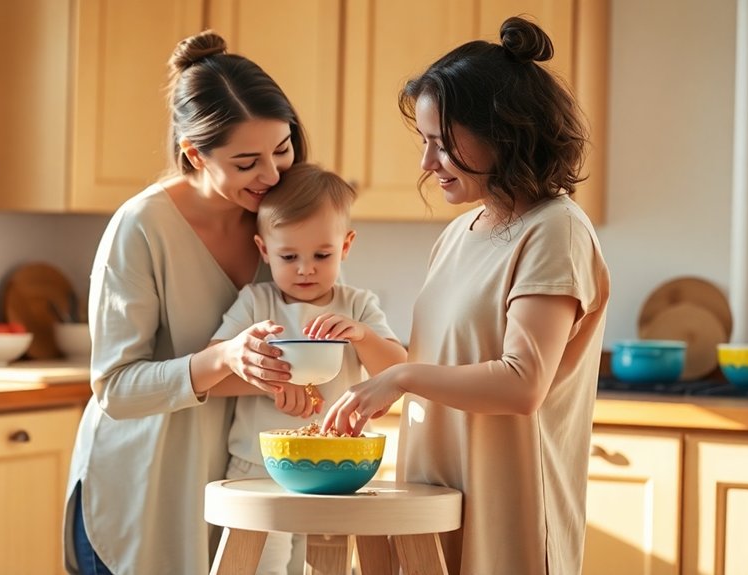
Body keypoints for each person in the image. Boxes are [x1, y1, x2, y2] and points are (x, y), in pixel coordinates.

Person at [322, 16, 611, 575]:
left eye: (444, 144)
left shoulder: (556, 229)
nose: (427, 165)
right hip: (432, 499)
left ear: (505, 133)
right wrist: (376, 357)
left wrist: (402, 378)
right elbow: (443, 370)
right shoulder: (459, 232)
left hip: (508, 512)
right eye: (425, 143)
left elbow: (521, 383)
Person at [65, 30, 311, 575]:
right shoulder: (142, 226)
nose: (271, 175)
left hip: (246, 498)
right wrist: (224, 358)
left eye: (282, 148)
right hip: (144, 497)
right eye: (246, 162)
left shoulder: (288, 217)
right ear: (194, 154)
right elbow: (116, 388)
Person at [207, 163, 408, 575]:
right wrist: (264, 379)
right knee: (264, 567)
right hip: (257, 467)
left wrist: (363, 337)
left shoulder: (358, 306)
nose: (305, 269)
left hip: (339, 470)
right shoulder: (255, 303)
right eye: (288, 256)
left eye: (322, 255)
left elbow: (398, 373)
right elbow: (214, 373)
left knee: (328, 567)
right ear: (264, 250)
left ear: (346, 246)